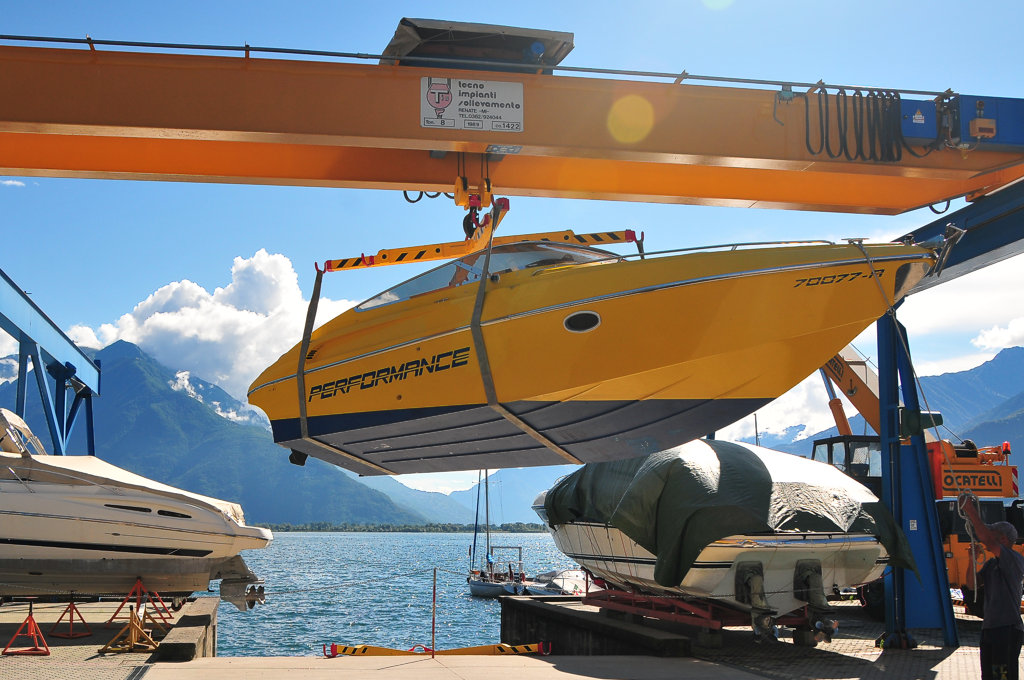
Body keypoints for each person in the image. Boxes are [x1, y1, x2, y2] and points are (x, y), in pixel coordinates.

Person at [960, 491, 1024, 680]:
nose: (984, 539)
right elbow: (971, 586)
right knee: (989, 675)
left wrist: (970, 511)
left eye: (992, 535)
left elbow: (986, 538)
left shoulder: (1013, 559)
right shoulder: (991, 564)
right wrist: (973, 560)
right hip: (990, 627)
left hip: (1007, 628)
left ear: (1003, 539)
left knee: (1002, 675)